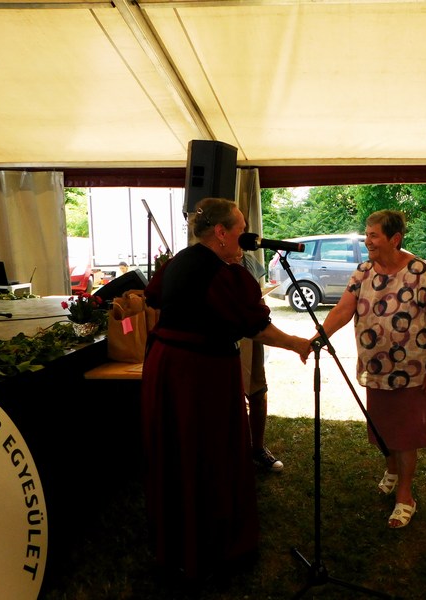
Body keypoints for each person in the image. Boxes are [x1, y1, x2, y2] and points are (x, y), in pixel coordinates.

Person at [140, 198, 310, 583]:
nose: (244, 237)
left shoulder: (178, 262)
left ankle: (176, 539)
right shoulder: (223, 275)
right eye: (240, 229)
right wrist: (297, 343)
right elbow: (257, 327)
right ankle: (211, 543)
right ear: (221, 232)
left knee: (176, 449)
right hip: (199, 372)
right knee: (209, 451)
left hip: (165, 365)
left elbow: (154, 299)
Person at [318, 210, 426, 529]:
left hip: (413, 372)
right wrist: (319, 337)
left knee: (405, 437)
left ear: (395, 239)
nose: (368, 241)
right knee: (383, 431)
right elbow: (343, 310)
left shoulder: (419, 271)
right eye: (367, 234)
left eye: (374, 235)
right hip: (376, 370)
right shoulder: (363, 271)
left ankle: (405, 495)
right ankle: (391, 469)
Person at [240, 251, 283, 472]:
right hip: (221, 337)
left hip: (250, 333)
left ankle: (257, 449)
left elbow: (258, 294)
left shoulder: (247, 259)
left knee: (257, 389)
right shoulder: (206, 260)